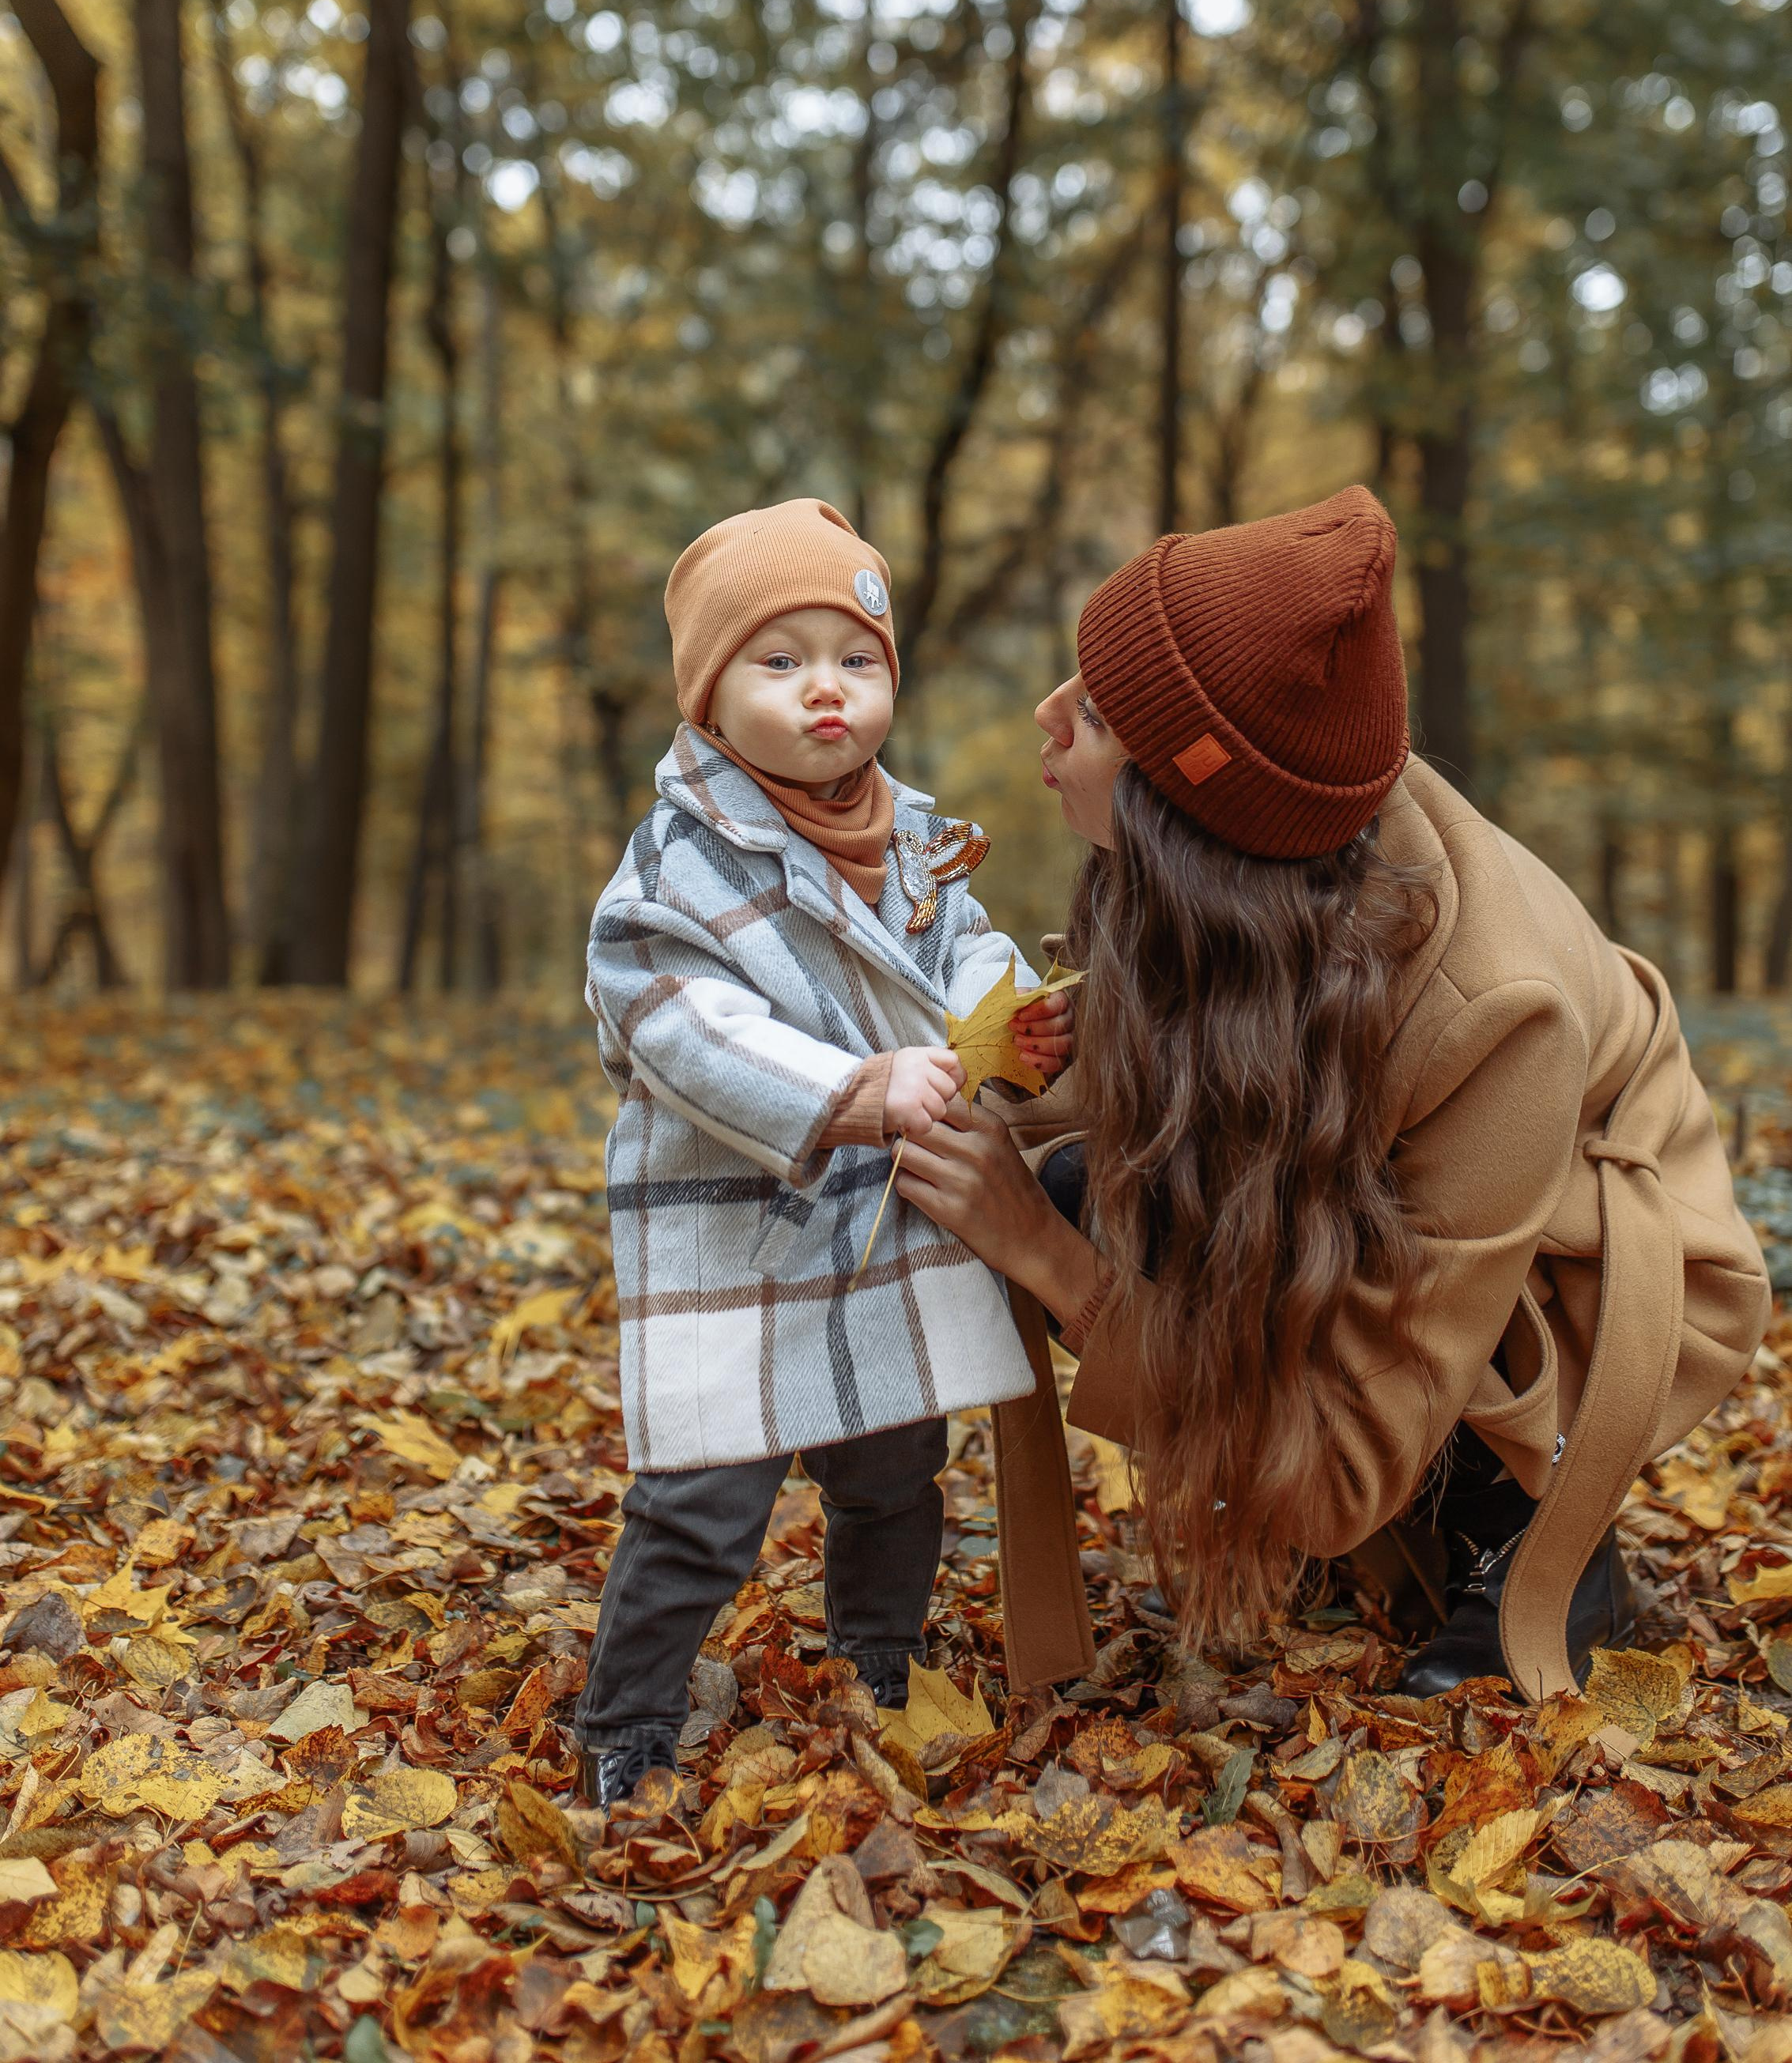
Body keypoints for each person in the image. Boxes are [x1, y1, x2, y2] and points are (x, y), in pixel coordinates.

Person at [894, 486, 1771, 1699]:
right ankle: (1368, 1517)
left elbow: (1344, 1465)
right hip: (1395, 1177)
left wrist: (1053, 1266)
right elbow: (1049, 1106)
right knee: (1089, 1183)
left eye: (1093, 714)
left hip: (1593, 1270)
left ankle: (1533, 1545)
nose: (1047, 718)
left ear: (1180, 816)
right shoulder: (1261, 852)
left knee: (1080, 1218)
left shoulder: (1497, 1017)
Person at [577, 498, 1070, 1804]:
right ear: (709, 696)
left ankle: (881, 1657)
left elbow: (960, 946)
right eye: (779, 663)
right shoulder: (674, 865)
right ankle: (624, 1721)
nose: (826, 694)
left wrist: (1011, 1009)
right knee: (703, 1497)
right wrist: (852, 1087)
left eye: (855, 660)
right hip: (744, 1217)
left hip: (880, 1223)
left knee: (892, 1458)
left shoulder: (906, 834)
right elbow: (680, 1025)